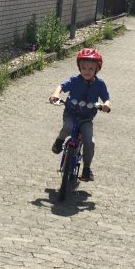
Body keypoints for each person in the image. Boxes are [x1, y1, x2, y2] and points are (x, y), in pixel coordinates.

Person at [49, 47, 111, 181]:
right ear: (79, 68)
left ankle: (87, 168)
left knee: (90, 142)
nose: (86, 71)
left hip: (86, 119)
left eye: (91, 69)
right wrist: (56, 94)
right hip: (71, 114)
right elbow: (61, 86)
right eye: (83, 68)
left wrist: (106, 105)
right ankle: (59, 140)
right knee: (67, 127)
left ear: (97, 69)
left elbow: (106, 98)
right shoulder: (75, 80)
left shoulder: (100, 84)